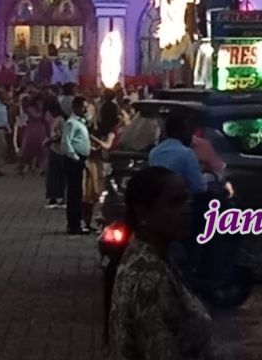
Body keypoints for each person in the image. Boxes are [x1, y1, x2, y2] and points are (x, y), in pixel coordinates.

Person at [108, 167, 214, 360]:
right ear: (143, 213)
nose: (187, 210)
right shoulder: (149, 280)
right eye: (175, 203)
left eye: (186, 201)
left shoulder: (153, 255)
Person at [82, 100, 119, 231]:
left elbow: (105, 146)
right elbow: (108, 146)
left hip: (99, 162)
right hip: (106, 163)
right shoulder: (115, 129)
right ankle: (99, 220)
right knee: (101, 193)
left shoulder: (101, 129)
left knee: (96, 194)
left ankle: (93, 220)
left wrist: (93, 139)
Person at [148, 116, 205, 197]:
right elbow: (198, 187)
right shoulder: (186, 153)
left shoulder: (154, 152)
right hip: (180, 198)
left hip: (159, 197)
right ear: (182, 132)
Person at [61, 96, 91, 234]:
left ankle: (76, 223)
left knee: (78, 193)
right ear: (76, 107)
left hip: (80, 159)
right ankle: (74, 225)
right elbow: (66, 142)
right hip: (74, 161)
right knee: (74, 193)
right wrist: (75, 157)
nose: (85, 109)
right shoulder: (71, 123)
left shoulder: (81, 122)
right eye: (84, 107)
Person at [17, 95, 48, 176]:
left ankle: (43, 168)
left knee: (43, 150)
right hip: (32, 130)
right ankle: (23, 167)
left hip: (41, 129)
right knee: (28, 149)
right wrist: (42, 110)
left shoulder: (43, 109)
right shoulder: (30, 109)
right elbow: (37, 116)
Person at [44, 100, 66, 208]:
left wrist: (50, 140)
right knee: (53, 175)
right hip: (55, 149)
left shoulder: (60, 120)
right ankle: (53, 196)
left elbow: (60, 135)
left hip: (59, 150)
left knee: (57, 175)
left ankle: (58, 196)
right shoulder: (57, 120)